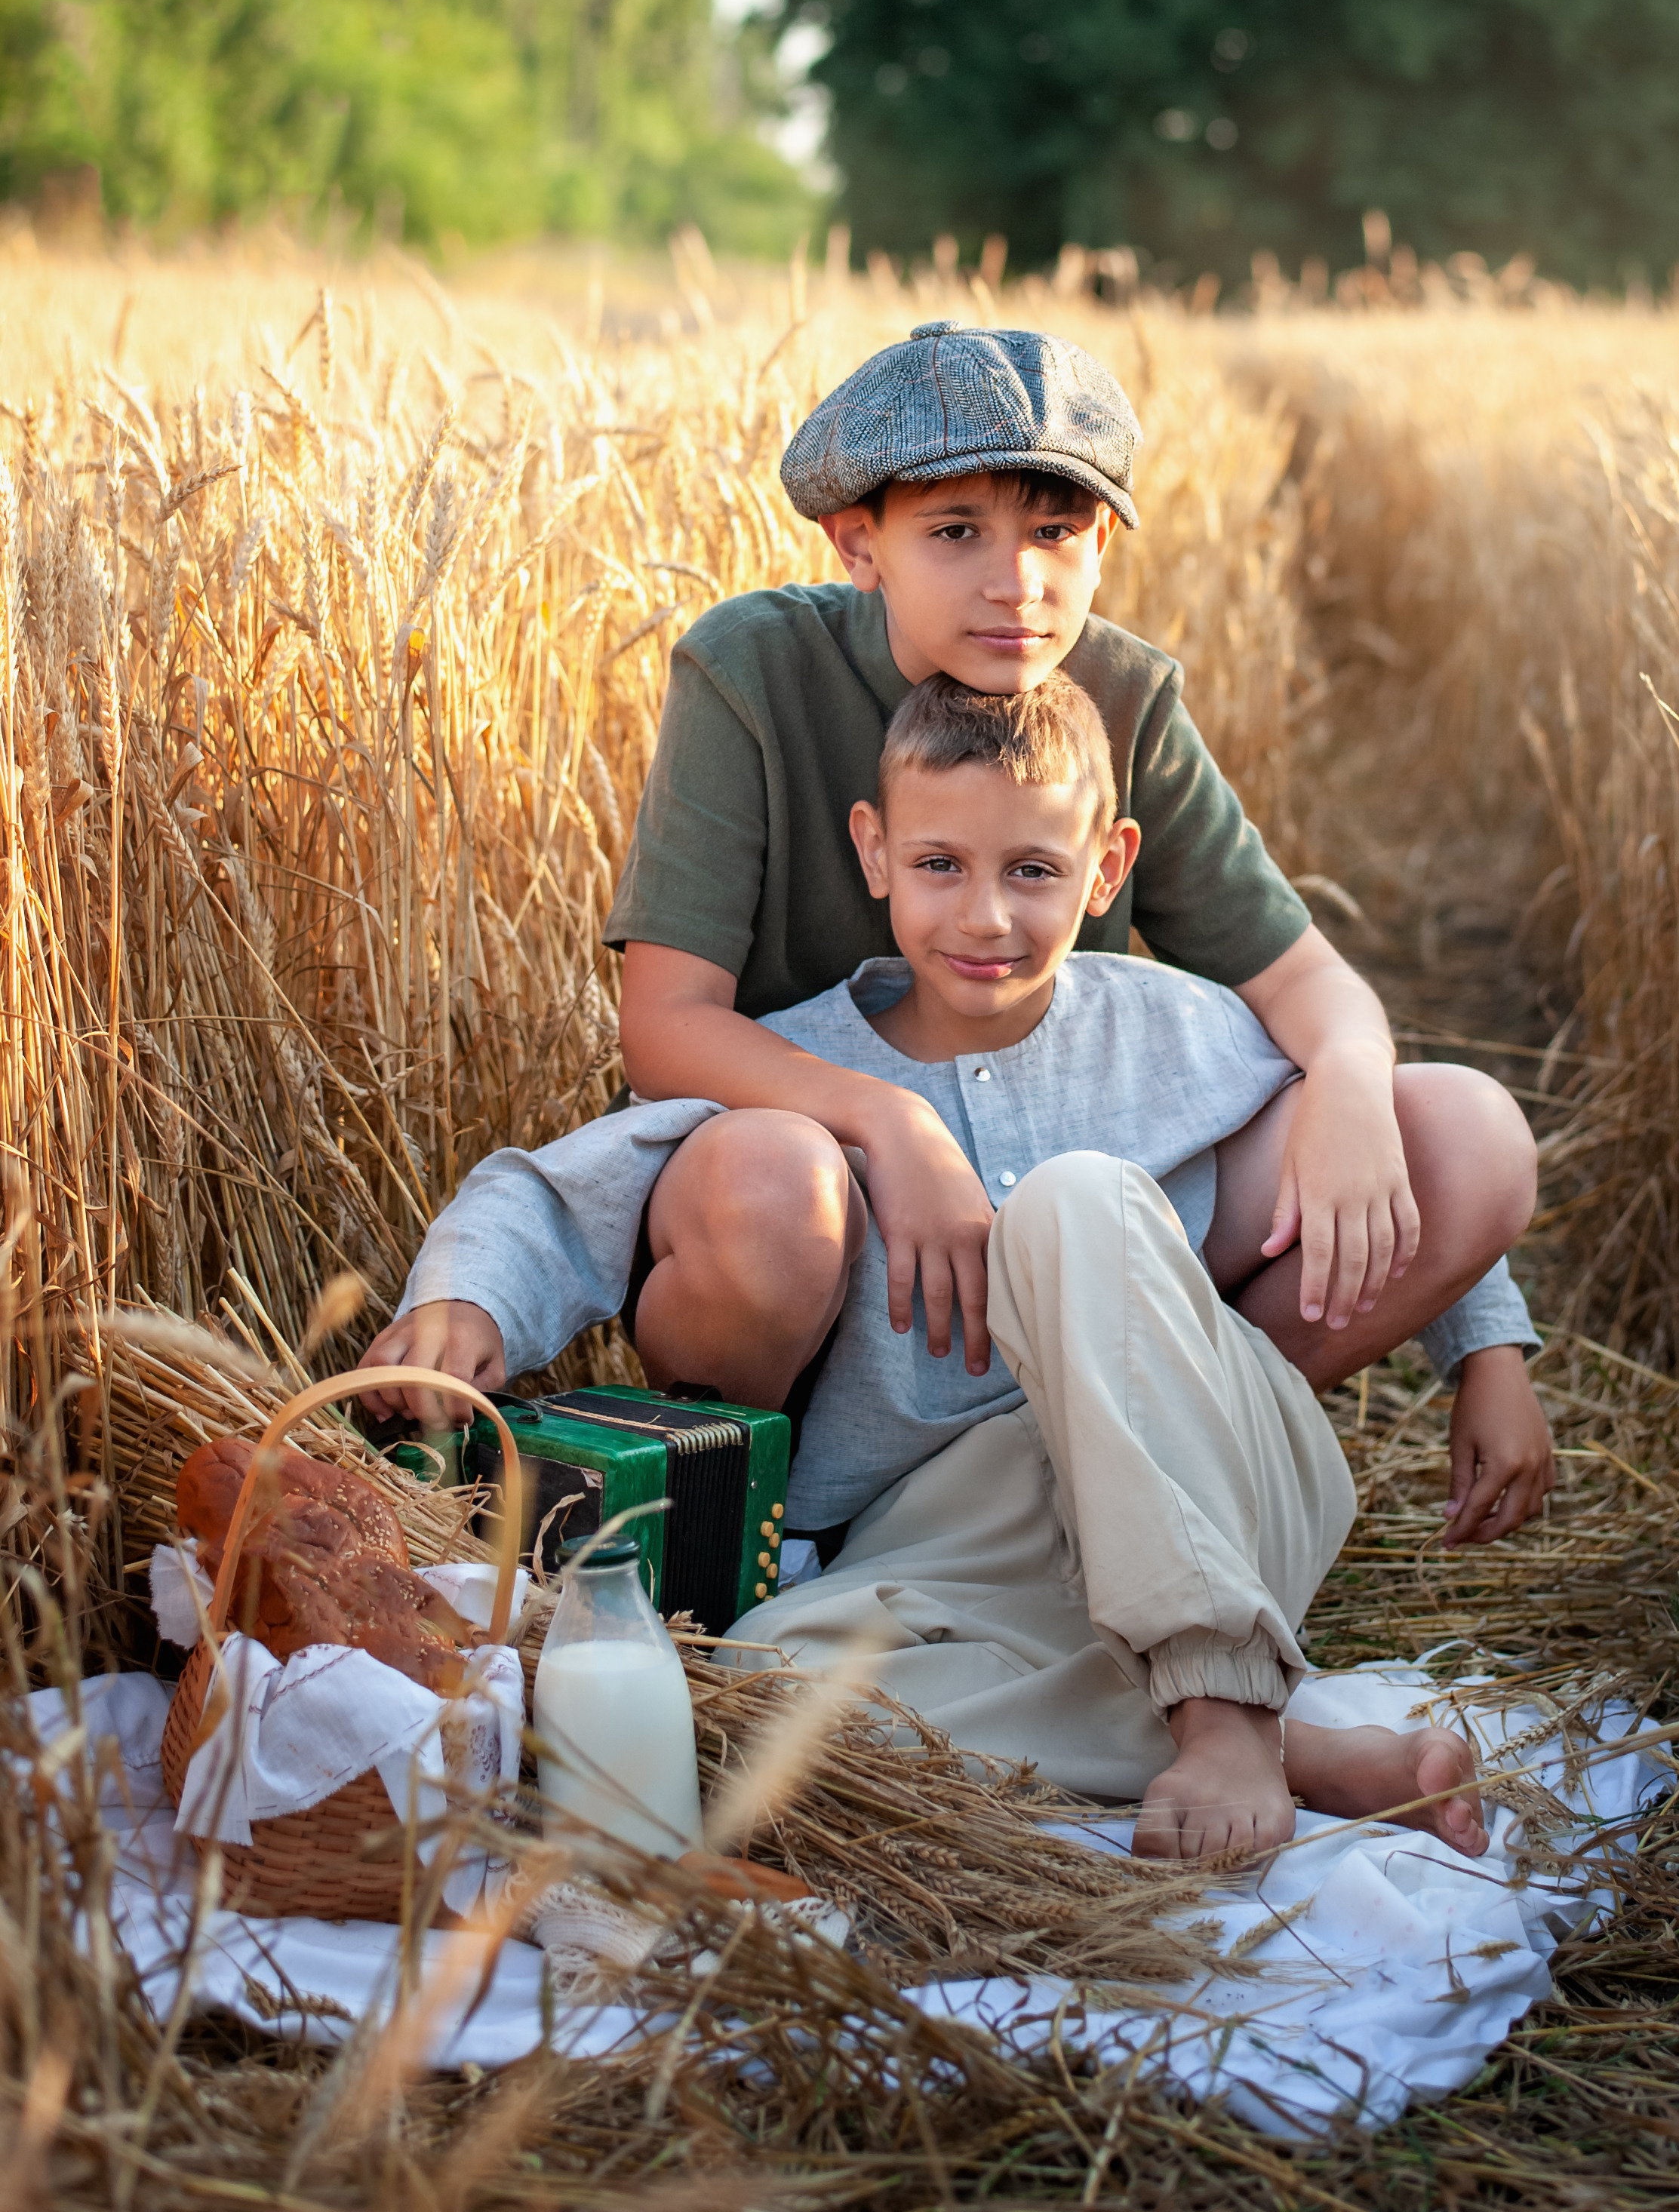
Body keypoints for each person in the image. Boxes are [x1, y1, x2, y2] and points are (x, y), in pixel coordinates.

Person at [362, 318, 1552, 1550]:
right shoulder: (755, 673)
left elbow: (1304, 992)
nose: (1014, 583)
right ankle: (757, 1518)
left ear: (1099, 542)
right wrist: (892, 1123)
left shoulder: (1120, 698)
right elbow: (664, 1031)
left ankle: (1146, 1486)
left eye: (1052, 533)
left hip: (1066, 1209)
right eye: (955, 533)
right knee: (783, 1189)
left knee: (1461, 1131)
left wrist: (1477, 1320)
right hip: (822, 1224)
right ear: (857, 542)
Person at [367, 671, 1512, 1858]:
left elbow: (1365, 1166)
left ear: (1107, 868)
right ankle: (1274, 1748)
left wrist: (1488, 1345)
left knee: (1074, 1201)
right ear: (874, 852)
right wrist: (459, 1295)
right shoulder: (799, 1059)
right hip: (961, 1539)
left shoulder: (1181, 1030)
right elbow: (562, 1184)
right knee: (759, 1697)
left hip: (1206, 1479)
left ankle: (1220, 1705)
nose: (983, 919)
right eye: (939, 867)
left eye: (1031, 871)